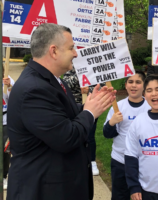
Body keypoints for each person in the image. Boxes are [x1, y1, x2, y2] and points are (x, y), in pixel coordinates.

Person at [7, 23, 116, 200]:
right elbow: (66, 137)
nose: (75, 53)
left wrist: (91, 104)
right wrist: (89, 112)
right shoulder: (33, 90)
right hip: (43, 190)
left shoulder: (53, 81)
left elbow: (63, 116)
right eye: (71, 48)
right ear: (54, 51)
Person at [103, 70, 150, 200]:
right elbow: (107, 134)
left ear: (144, 85)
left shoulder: (150, 106)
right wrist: (111, 123)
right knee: (119, 196)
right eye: (130, 82)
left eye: (138, 82)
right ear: (125, 85)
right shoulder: (118, 107)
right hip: (120, 161)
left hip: (144, 163)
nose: (133, 85)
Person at [63, 67, 105, 175]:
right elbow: (66, 84)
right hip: (74, 107)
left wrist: (89, 90)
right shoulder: (71, 70)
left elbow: (102, 88)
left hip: (92, 108)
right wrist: (80, 75)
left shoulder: (97, 70)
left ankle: (92, 160)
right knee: (74, 132)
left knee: (90, 135)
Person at [125, 75, 158, 200]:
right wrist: (133, 186)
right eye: (149, 90)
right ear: (145, 94)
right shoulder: (138, 122)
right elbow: (131, 156)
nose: (154, 94)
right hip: (146, 190)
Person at [2, 71, 14, 190]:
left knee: (4, 150)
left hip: (4, 120)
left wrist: (10, 86)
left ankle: (4, 176)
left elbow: (15, 99)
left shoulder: (7, 79)